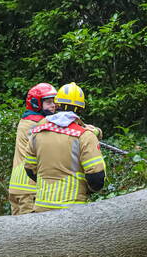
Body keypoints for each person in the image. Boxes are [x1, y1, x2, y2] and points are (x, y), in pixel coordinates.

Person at [22, 82, 106, 212]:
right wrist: (88, 190)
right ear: (81, 108)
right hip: (72, 210)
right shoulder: (85, 136)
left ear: (57, 104)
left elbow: (29, 169)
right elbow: (96, 177)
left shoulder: (37, 132)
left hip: (41, 208)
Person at [8, 82, 57, 215]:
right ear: (36, 104)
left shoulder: (25, 121)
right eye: (48, 102)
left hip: (16, 186)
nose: (53, 105)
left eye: (54, 101)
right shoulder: (39, 123)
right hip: (29, 189)